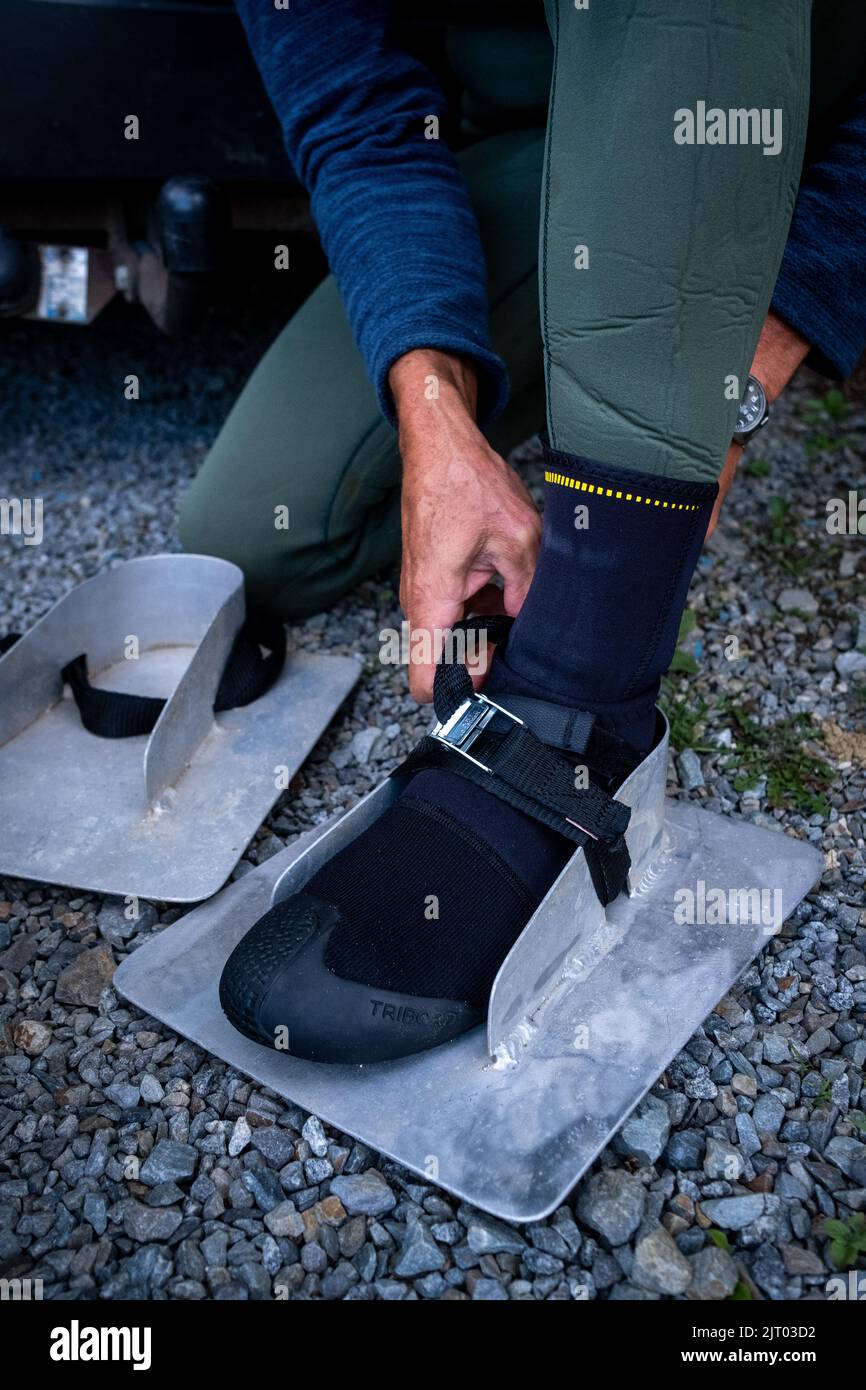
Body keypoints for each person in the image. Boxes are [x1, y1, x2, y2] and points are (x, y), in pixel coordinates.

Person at [206, 2, 866, 1062]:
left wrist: (744, 360)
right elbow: (358, 110)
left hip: (749, 119)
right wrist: (435, 421)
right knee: (259, 533)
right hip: (543, 148)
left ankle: (578, 700)